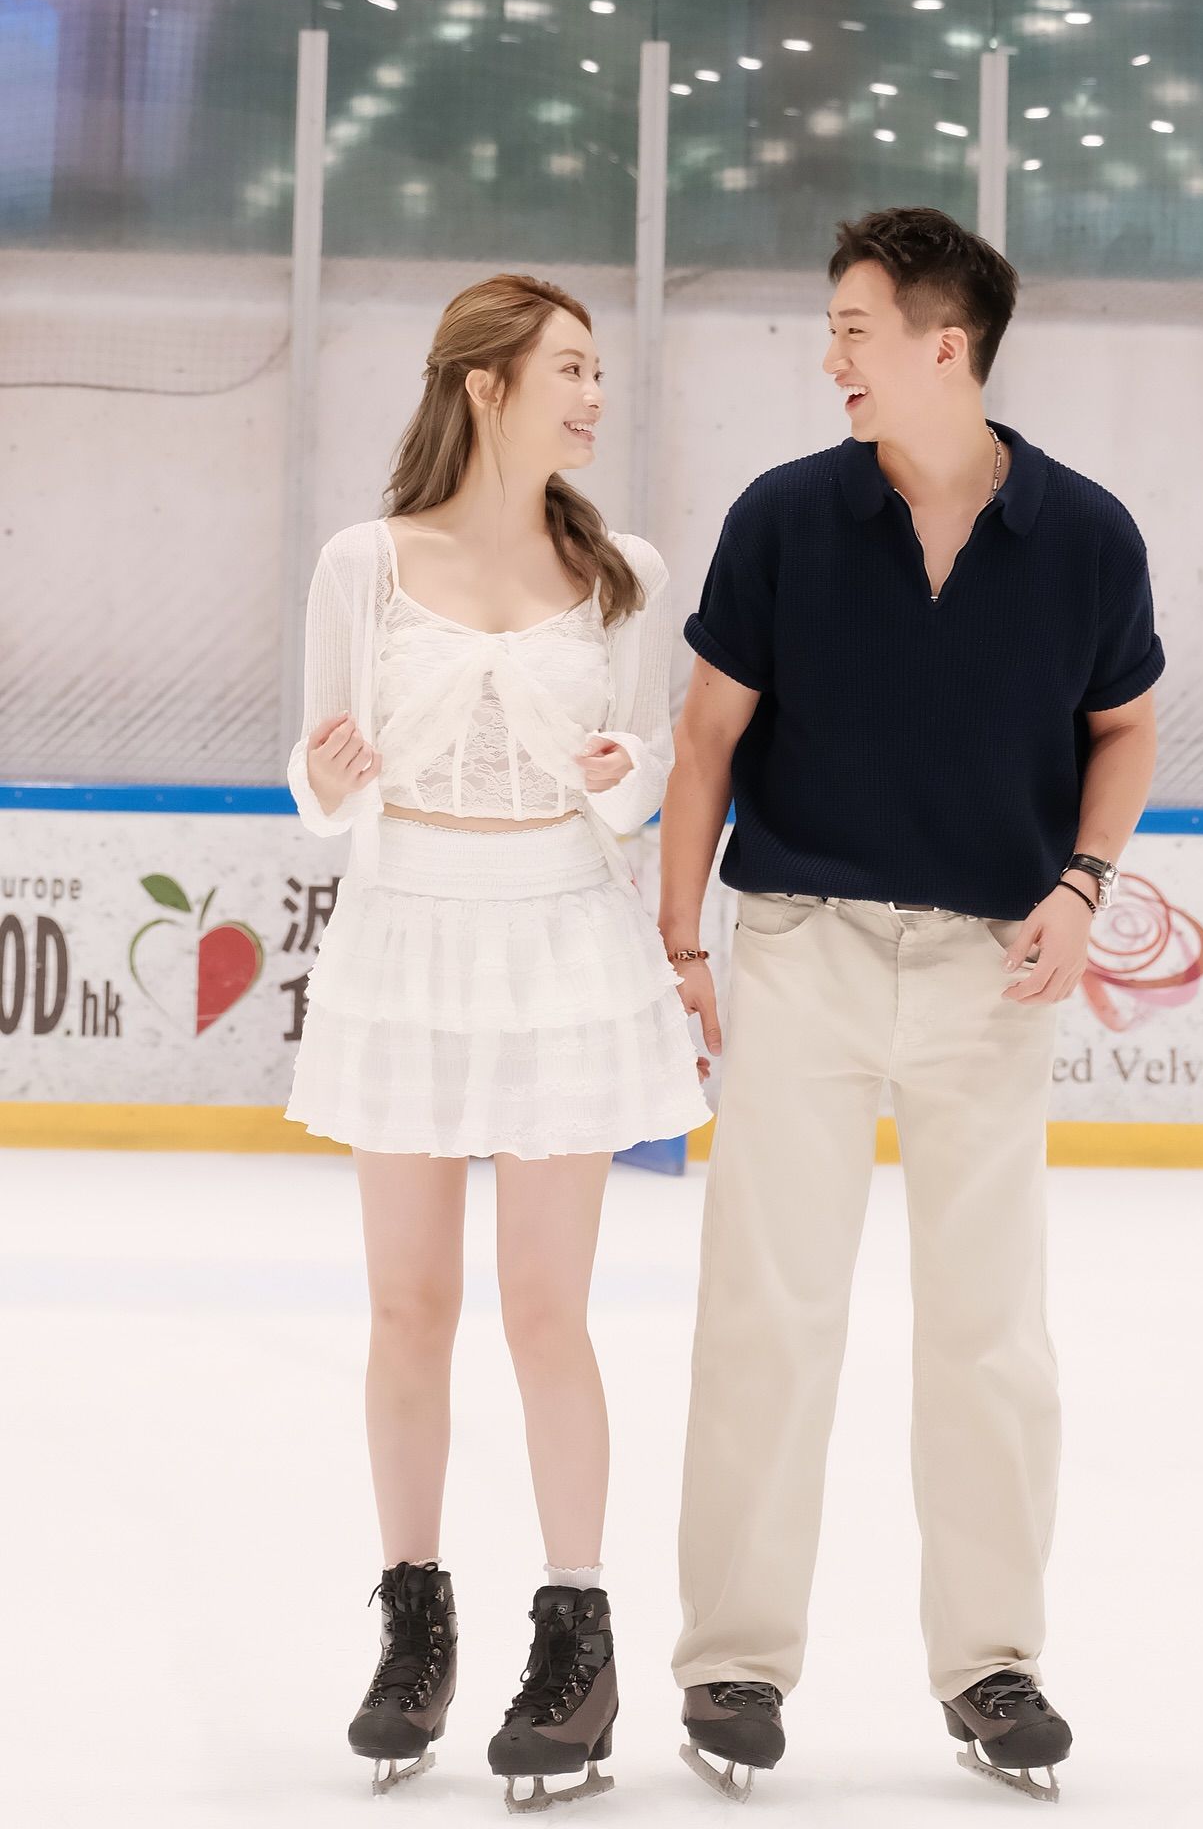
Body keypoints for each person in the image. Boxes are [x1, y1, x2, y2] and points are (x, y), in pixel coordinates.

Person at [661, 207, 1164, 1805]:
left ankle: (992, 1666)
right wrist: (680, 938)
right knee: (768, 1314)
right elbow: (704, 738)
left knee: (990, 1333)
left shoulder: (1087, 537)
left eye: (855, 329)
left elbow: (1127, 727)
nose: (831, 356)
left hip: (991, 970)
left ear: (948, 345)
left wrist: (1083, 884)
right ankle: (735, 1663)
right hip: (800, 946)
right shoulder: (783, 518)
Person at [282, 274, 711, 1811]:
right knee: (409, 1306)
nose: (596, 395)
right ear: (486, 384)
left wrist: (615, 773)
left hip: (559, 945)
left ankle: (576, 1642)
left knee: (546, 1313)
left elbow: (641, 785)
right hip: (408, 934)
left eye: (599, 371)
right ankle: (414, 1627)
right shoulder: (366, 562)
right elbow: (315, 782)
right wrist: (329, 777)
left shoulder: (622, 571)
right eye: (571, 369)